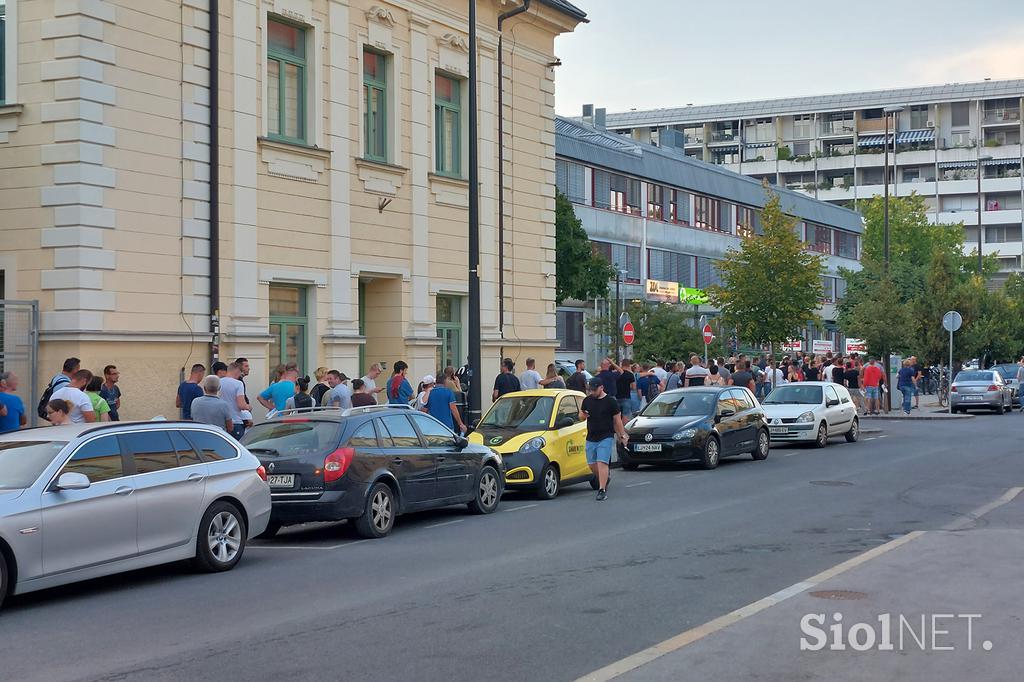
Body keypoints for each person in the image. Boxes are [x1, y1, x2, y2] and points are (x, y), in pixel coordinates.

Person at [580, 377, 629, 502]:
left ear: (601, 388)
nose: (592, 392)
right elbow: (581, 416)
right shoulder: (587, 400)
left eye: (594, 390)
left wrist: (622, 436)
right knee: (592, 465)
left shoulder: (611, 402)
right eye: (590, 390)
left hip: (606, 436)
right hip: (591, 436)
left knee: (602, 462)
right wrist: (583, 415)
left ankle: (602, 490)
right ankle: (605, 478)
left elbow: (617, 421)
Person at [218, 361, 248, 439]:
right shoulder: (238, 384)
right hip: (235, 421)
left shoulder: (218, 382)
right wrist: (248, 407)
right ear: (237, 371)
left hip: (221, 422)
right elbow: (241, 405)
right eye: (240, 372)